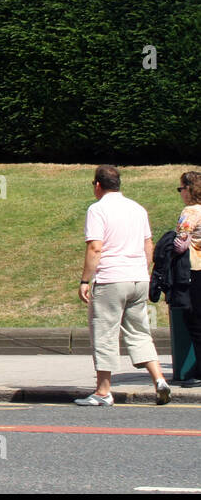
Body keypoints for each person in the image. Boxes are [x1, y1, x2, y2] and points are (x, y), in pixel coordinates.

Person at [77, 165, 171, 405]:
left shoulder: (97, 209)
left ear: (98, 185)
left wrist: (85, 280)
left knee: (105, 333)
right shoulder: (137, 208)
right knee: (140, 332)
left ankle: (103, 391)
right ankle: (159, 379)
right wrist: (143, 270)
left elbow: (95, 247)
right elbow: (148, 244)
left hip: (111, 278)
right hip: (138, 277)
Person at [171, 170, 201, 383]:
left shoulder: (190, 211)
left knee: (195, 320)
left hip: (194, 269)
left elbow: (181, 242)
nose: (180, 192)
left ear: (189, 189)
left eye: (181, 188)